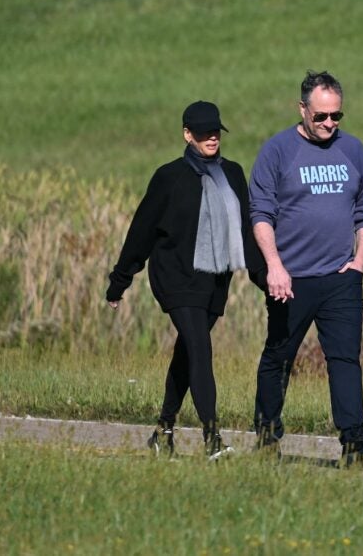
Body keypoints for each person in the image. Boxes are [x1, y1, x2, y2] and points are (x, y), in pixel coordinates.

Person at [106, 100, 264, 460]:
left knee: (188, 352)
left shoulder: (234, 175)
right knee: (200, 349)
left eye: (215, 132)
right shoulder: (169, 177)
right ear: (186, 134)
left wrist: (268, 279)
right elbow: (142, 231)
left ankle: (163, 430)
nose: (211, 138)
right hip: (175, 276)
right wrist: (120, 281)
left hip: (214, 281)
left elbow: (245, 232)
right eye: (203, 132)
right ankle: (212, 438)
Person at [249, 69, 363, 468]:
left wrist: (359, 262)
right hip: (290, 279)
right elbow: (260, 212)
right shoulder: (277, 151)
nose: (329, 124)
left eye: (336, 116)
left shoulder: (354, 151)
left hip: (340, 278)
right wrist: (274, 266)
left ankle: (354, 443)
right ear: (303, 110)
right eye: (321, 116)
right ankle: (265, 438)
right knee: (278, 358)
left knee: (344, 358)